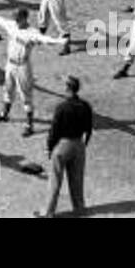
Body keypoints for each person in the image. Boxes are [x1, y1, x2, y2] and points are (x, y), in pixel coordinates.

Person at [0, 5, 67, 135]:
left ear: (24, 18)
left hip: (23, 66)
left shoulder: (32, 32)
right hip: (10, 64)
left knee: (26, 95)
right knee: (8, 89)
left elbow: (45, 40)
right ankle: (4, 114)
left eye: (18, 18)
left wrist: (59, 41)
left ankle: (29, 125)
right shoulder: (12, 25)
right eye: (15, 18)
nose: (15, 21)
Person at [37, 75, 92, 218]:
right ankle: (79, 210)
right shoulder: (85, 106)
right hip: (79, 145)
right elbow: (89, 129)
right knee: (77, 180)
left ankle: (48, 212)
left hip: (63, 145)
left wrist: (49, 147)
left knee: (55, 180)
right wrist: (83, 145)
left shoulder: (62, 107)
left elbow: (54, 130)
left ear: (67, 88)